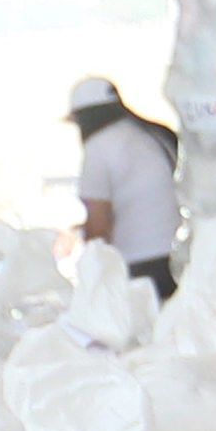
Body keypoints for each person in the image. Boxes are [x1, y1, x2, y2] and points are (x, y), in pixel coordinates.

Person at [68, 72, 182, 296]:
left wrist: (94, 271)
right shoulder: (154, 134)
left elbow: (98, 225)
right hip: (178, 257)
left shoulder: (98, 148)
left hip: (139, 264)